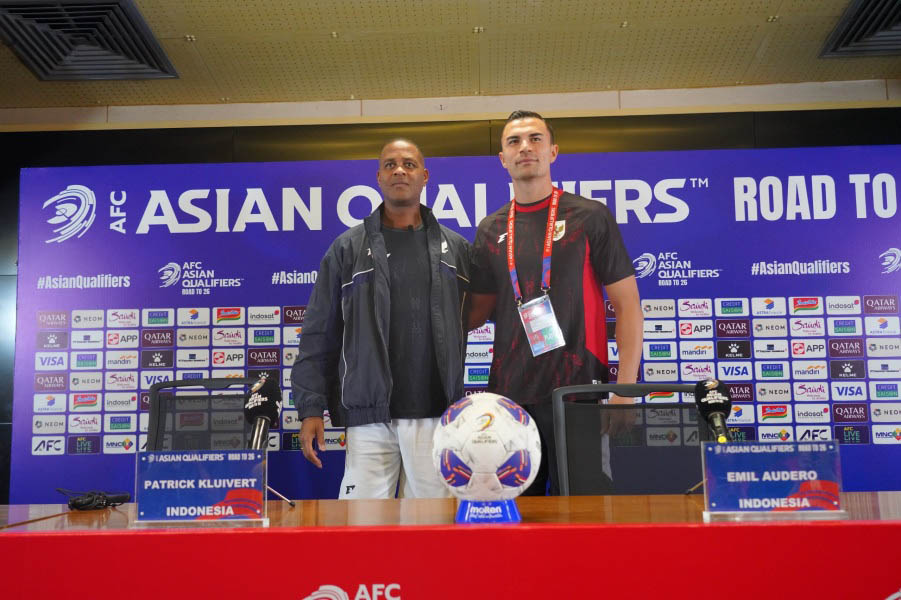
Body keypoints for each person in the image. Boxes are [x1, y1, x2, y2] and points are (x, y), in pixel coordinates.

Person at [468, 110, 643, 495]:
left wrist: (624, 388)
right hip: (509, 403)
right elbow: (470, 315)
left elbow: (628, 306)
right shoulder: (490, 228)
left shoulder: (590, 217)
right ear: (502, 158)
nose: (524, 147)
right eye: (513, 141)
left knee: (585, 519)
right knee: (516, 522)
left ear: (553, 151)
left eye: (535, 139)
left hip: (580, 396)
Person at [292, 139, 471, 499]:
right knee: (362, 529)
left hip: (436, 414)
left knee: (435, 531)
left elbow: (482, 313)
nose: (399, 170)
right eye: (390, 165)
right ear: (378, 177)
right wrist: (310, 408)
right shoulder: (347, 249)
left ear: (425, 176)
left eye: (408, 164)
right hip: (370, 416)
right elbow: (318, 332)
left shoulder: (457, 250)